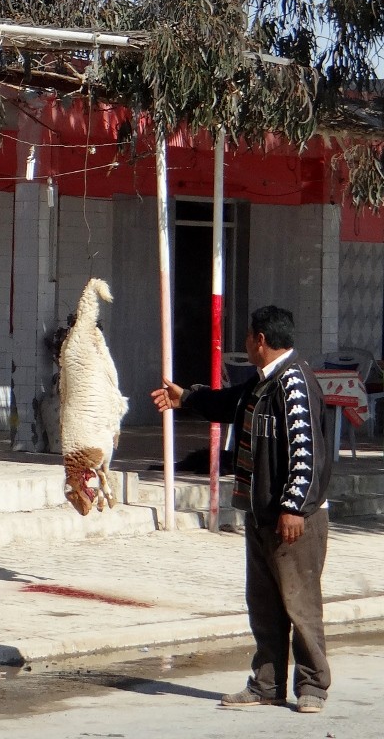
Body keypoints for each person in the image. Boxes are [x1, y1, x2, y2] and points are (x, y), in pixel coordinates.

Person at [150, 305, 331, 713]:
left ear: (261, 341)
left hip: (292, 521)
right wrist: (188, 398)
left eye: (249, 337)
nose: (246, 344)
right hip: (262, 516)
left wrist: (293, 508)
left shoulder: (295, 386)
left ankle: (313, 686)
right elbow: (229, 403)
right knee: (264, 606)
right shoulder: (263, 384)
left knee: (300, 606)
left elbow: (308, 456)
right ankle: (266, 684)